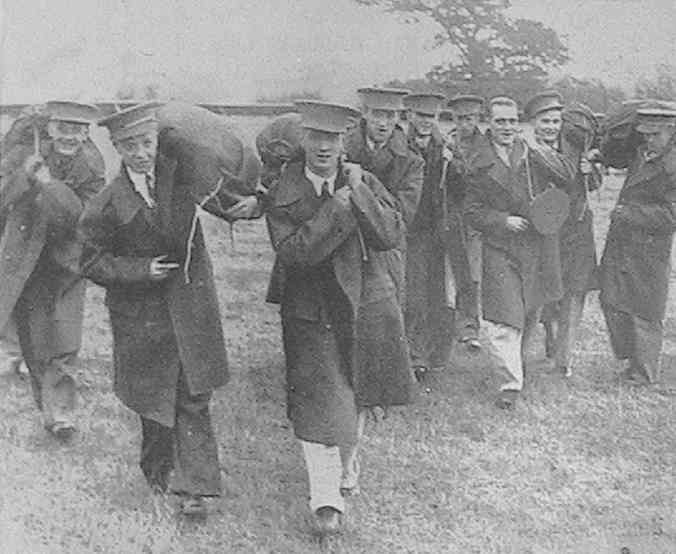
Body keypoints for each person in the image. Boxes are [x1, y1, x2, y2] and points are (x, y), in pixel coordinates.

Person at [78, 102, 252, 518]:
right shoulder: (104, 204)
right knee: (154, 396)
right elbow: (89, 261)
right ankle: (158, 468)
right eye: (130, 145)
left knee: (193, 392)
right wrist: (141, 270)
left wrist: (249, 206)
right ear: (117, 148)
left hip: (190, 303)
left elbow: (222, 183)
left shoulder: (182, 179)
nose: (141, 152)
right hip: (141, 314)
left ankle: (194, 488)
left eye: (147, 141)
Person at [265, 100, 412, 535]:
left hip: (365, 301)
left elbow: (391, 234)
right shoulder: (284, 192)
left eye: (333, 138)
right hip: (310, 309)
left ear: (345, 139)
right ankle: (325, 499)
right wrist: (340, 208)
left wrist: (359, 194)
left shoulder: (361, 180)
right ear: (303, 140)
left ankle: (348, 466)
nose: (324, 147)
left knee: (358, 392)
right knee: (319, 402)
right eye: (316, 137)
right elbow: (294, 253)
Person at [0, 101, 104, 438]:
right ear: (50, 127)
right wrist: (23, 178)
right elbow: (3, 199)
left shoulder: (92, 166)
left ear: (87, 133)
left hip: (67, 265)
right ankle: (47, 406)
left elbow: (82, 218)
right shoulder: (28, 154)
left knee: (65, 338)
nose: (70, 137)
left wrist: (47, 184)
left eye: (78, 129)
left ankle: (62, 415)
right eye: (63, 128)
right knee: (34, 343)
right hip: (27, 264)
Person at [464, 96, 574, 408]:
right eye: (500, 121)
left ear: (520, 123)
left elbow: (567, 179)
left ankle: (517, 366)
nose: (507, 127)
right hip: (499, 245)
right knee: (503, 316)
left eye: (512, 121)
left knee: (529, 311)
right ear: (490, 123)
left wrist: (539, 151)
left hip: (535, 245)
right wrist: (501, 220)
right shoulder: (477, 161)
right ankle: (509, 386)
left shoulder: (533, 152)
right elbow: (471, 211)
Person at [599, 103, 676, 385]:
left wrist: (628, 214)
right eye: (645, 133)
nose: (648, 139)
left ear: (672, 132)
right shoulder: (642, 151)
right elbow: (614, 153)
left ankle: (643, 374)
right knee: (611, 298)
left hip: (649, 247)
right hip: (622, 241)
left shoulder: (673, 165)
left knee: (645, 309)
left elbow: (672, 215)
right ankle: (630, 361)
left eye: (655, 134)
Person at [527, 92, 602, 375]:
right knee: (547, 292)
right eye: (544, 121)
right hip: (546, 230)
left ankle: (563, 360)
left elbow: (593, 184)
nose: (550, 127)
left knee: (574, 292)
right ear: (533, 123)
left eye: (555, 121)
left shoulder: (573, 145)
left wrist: (590, 170)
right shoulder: (527, 150)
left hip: (578, 230)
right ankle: (549, 337)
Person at [402, 92, 466, 381]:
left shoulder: (445, 147)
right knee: (413, 295)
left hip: (438, 233)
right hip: (409, 231)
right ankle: (414, 357)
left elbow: (462, 188)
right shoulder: (399, 146)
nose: (427, 122)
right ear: (409, 116)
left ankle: (434, 356)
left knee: (439, 296)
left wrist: (454, 164)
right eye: (421, 116)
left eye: (432, 117)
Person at [344, 87, 424, 300]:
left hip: (386, 248)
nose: (383, 122)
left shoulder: (411, 160)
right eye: (377, 114)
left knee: (387, 314)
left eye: (390, 116)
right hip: (343, 241)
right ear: (365, 113)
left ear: (398, 117)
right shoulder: (342, 147)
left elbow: (402, 215)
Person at [445, 94, 489, 349]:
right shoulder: (448, 142)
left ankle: (471, 326)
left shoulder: (486, 145)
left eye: (470, 118)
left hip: (477, 216)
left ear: (477, 118)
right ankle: (457, 324)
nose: (465, 124)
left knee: (473, 273)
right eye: (460, 118)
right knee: (454, 270)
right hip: (452, 214)